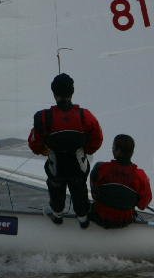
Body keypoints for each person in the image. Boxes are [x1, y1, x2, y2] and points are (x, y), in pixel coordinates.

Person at [28, 73, 103, 228]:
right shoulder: (85, 116)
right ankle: (83, 219)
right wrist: (86, 150)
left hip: (57, 169)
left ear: (53, 93)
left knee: (56, 187)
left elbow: (34, 143)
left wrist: (43, 151)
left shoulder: (42, 117)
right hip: (78, 168)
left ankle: (57, 216)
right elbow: (97, 139)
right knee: (79, 189)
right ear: (72, 92)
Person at [89, 134, 152, 229]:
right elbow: (143, 205)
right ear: (132, 152)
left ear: (117, 151)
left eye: (113, 147)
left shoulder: (100, 168)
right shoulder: (141, 177)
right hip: (124, 221)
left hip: (99, 217)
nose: (112, 149)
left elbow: (94, 195)